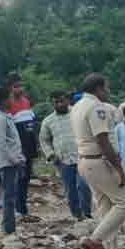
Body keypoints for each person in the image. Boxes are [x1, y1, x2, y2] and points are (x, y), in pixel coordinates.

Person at [73, 74, 125, 249]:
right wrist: (119, 169)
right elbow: (103, 140)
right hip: (99, 161)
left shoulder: (77, 106)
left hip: (85, 161)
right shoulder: (96, 107)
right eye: (106, 87)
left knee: (105, 205)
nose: (108, 91)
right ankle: (95, 240)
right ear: (98, 89)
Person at [40, 92, 92, 220]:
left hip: (82, 156)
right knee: (70, 190)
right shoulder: (48, 120)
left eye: (61, 101)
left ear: (67, 100)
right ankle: (77, 216)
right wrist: (51, 154)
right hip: (63, 160)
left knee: (84, 186)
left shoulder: (78, 113)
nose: (59, 104)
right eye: (56, 102)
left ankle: (86, 213)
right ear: (52, 103)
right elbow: (44, 140)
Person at [0, 87, 26, 235]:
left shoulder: (7, 117)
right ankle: (8, 229)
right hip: (7, 163)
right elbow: (0, 144)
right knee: (9, 196)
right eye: (11, 97)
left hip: (12, 161)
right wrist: (14, 160)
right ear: (4, 101)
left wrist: (19, 157)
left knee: (11, 195)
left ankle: (8, 226)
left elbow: (12, 141)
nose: (13, 100)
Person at [7, 76, 37, 217]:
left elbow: (31, 124)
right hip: (17, 146)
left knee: (26, 177)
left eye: (21, 86)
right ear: (10, 88)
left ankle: (22, 207)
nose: (20, 89)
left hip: (29, 144)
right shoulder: (8, 104)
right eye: (16, 86)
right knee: (19, 176)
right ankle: (16, 207)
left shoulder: (26, 101)